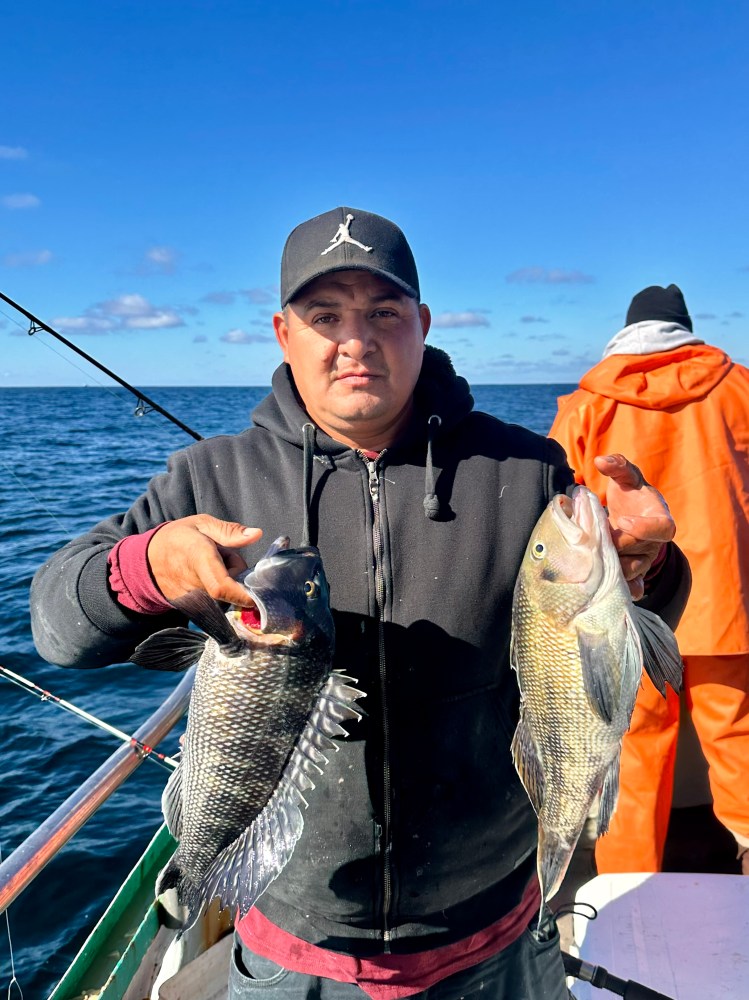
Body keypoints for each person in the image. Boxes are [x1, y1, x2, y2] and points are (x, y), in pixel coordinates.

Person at [31, 210, 689, 1000]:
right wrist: (143, 568)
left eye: (383, 312)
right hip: (291, 943)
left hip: (496, 926)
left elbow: (616, 625)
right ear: (282, 332)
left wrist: (645, 566)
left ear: (423, 324)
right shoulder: (205, 481)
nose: (355, 339)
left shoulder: (525, 469)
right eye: (324, 316)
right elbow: (58, 631)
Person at [550, 283, 749, 878]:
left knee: (635, 759)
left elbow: (558, 515)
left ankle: (626, 899)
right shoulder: (739, 388)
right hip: (727, 606)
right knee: (741, 747)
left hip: (630, 611)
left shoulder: (587, 404)